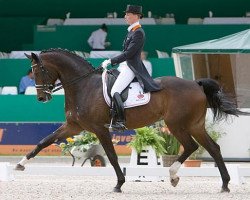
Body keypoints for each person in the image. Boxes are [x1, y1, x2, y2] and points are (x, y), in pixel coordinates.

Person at [101, 5, 161, 130]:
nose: (125, 17)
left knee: (115, 91)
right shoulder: (132, 31)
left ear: (136, 16)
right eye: (126, 14)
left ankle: (120, 121)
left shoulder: (138, 32)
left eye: (128, 14)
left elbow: (129, 53)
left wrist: (112, 61)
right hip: (124, 66)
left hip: (131, 67)